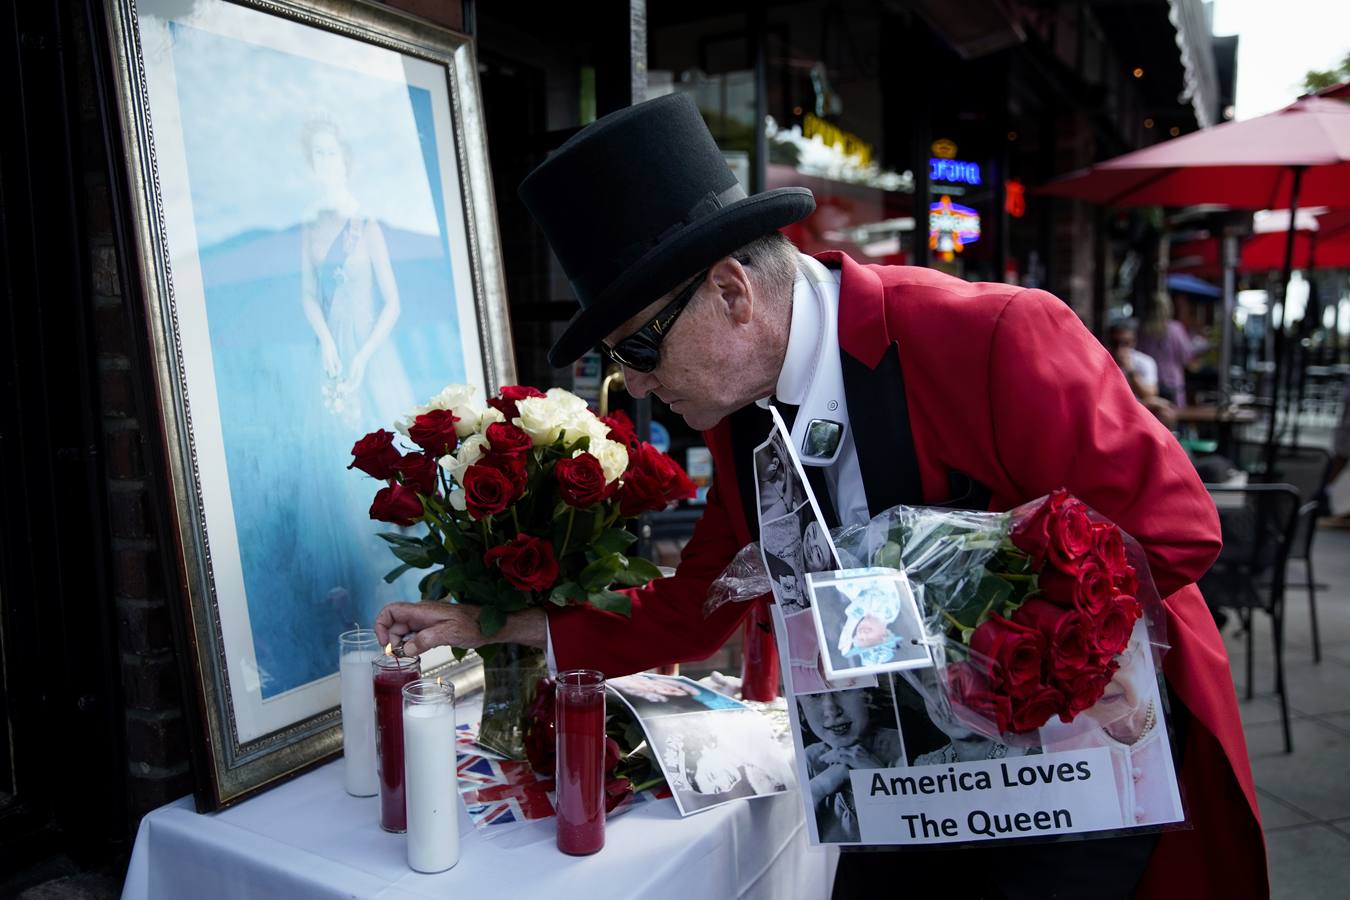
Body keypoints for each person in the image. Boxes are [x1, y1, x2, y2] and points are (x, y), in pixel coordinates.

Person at [375, 94, 1262, 898]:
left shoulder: (992, 334)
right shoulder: (739, 415)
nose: (633, 389)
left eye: (635, 351)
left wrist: (967, 630)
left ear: (730, 294)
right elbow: (695, 610)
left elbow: (1176, 532)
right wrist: (497, 624)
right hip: (898, 794)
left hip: (1072, 783)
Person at [799, 688, 904, 842]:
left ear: (869, 695)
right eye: (814, 694)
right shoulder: (807, 760)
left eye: (844, 689)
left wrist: (876, 775)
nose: (832, 710)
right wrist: (817, 790)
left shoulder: (903, 748)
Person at [1108, 317, 1177, 428]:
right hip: (1113, 409)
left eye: (1126, 343)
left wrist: (1130, 370)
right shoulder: (1103, 360)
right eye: (1116, 343)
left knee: (1166, 413)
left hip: (1139, 410)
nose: (1120, 348)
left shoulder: (1145, 362)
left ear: (1134, 342)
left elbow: (1149, 394)